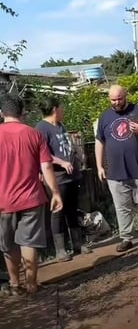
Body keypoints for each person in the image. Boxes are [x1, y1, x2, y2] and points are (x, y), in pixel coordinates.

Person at [0, 94, 63, 294]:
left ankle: (14, 284)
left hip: (3, 201)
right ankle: (31, 284)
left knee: (8, 244)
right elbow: (47, 167)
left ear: (2, 113)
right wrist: (55, 193)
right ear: (23, 112)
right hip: (31, 198)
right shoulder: (33, 134)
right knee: (29, 242)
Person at [95, 85, 138, 252]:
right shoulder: (105, 117)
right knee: (121, 207)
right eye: (113, 100)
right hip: (115, 172)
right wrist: (99, 166)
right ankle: (126, 238)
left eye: (119, 99)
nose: (116, 103)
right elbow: (99, 141)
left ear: (126, 96)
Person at [35, 96, 89, 261]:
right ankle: (60, 249)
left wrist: (77, 158)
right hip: (57, 177)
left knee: (73, 209)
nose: (63, 110)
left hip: (71, 175)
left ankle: (77, 243)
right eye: (61, 107)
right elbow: (42, 154)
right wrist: (62, 162)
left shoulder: (60, 125)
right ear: (54, 109)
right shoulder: (41, 129)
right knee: (58, 211)